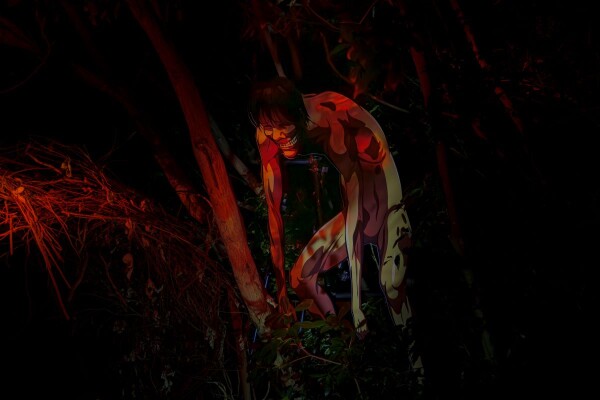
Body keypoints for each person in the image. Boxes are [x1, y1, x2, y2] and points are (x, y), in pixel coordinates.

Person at [249, 77, 417, 350]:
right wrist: (281, 292)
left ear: (297, 114)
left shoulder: (333, 117)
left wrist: (356, 305)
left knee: (391, 286)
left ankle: (414, 363)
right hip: (354, 202)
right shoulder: (266, 136)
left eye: (283, 126)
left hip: (384, 194)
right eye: (269, 128)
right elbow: (273, 211)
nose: (277, 135)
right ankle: (349, 348)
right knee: (300, 277)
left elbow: (356, 205)